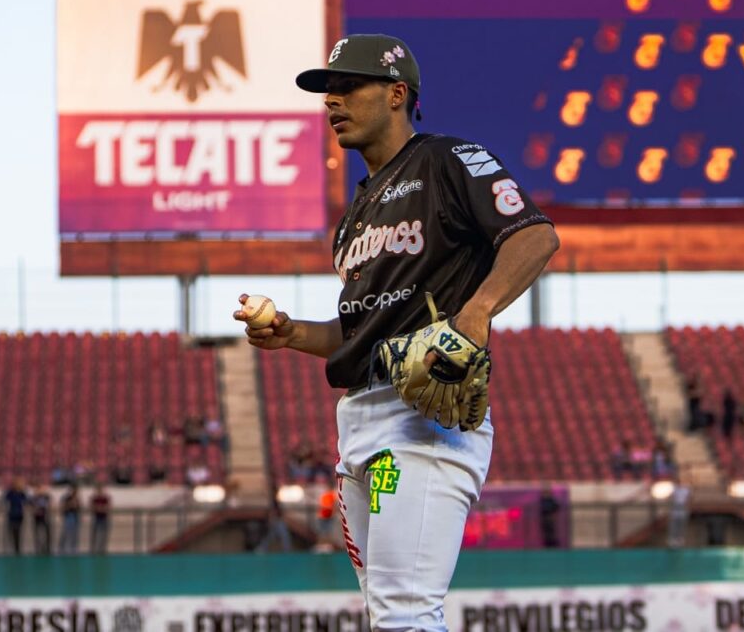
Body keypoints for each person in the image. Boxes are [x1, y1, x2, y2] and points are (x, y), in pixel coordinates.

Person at [234, 34, 559, 630]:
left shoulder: (448, 161)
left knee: (404, 614)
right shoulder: (354, 215)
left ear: (395, 94)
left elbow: (534, 236)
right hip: (360, 425)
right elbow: (358, 332)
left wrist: (476, 311)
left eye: (346, 86)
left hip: (420, 419)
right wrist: (291, 332)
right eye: (327, 91)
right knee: (389, 613)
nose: (331, 101)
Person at [0, 478, 29, 555]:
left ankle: (18, 549)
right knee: (11, 533)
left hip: (19, 515)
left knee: (18, 532)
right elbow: (4, 500)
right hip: (11, 515)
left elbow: (27, 501)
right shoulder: (10, 493)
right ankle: (12, 549)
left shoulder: (21, 493)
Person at [58, 484, 81, 554]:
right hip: (68, 516)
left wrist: (76, 504)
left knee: (75, 533)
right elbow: (62, 507)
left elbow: (78, 507)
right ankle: (61, 548)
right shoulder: (65, 498)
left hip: (75, 516)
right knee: (65, 532)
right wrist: (70, 504)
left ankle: (73, 547)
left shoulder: (77, 498)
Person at [90, 483, 112, 554]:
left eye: (101, 489)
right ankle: (94, 550)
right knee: (95, 535)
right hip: (96, 518)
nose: (99, 491)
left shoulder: (105, 498)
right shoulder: (94, 498)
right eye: (98, 489)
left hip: (104, 518)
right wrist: (100, 508)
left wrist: (100, 508)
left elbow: (108, 508)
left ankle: (102, 550)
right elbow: (92, 508)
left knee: (103, 535)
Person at [31, 483, 52, 555]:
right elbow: (31, 507)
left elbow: (50, 505)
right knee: (38, 534)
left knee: (47, 534)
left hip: (45, 517)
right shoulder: (34, 498)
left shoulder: (46, 497)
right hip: (37, 518)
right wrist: (35, 509)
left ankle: (47, 548)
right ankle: (38, 549)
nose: (40, 491)